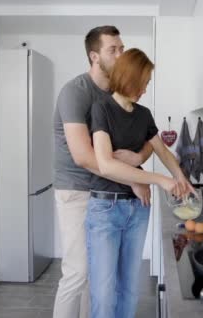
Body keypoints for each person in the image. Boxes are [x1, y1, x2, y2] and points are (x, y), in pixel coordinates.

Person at [52, 26, 154, 318]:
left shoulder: (116, 93)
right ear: (94, 56)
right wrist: (132, 178)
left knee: (97, 278)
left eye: (122, 48)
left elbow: (147, 139)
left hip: (107, 192)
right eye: (114, 50)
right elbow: (84, 157)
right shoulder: (76, 92)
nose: (121, 54)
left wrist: (136, 160)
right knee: (77, 273)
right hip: (77, 188)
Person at [86, 48, 193, 318]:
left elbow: (163, 151)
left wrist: (181, 178)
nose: (145, 89)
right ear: (127, 77)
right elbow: (105, 163)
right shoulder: (101, 109)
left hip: (138, 208)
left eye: (147, 84)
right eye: (142, 82)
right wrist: (159, 179)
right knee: (104, 291)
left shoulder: (144, 114)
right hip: (105, 209)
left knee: (130, 289)